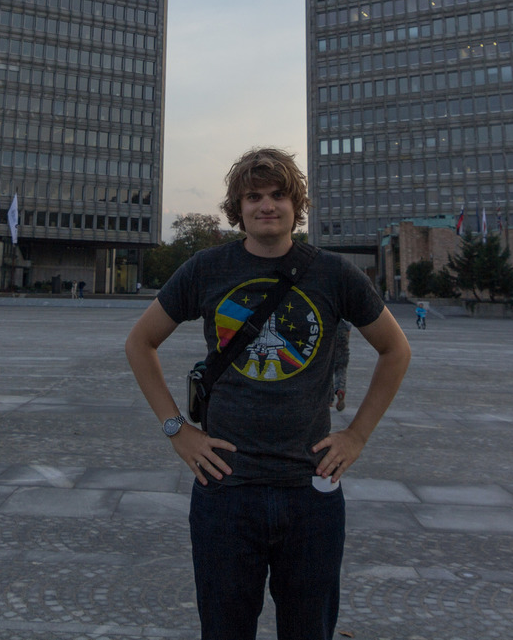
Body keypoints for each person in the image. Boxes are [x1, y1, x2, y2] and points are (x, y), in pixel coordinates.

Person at [125, 147, 411, 640]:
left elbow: (395, 350)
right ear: (237, 207)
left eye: (278, 195)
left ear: (296, 204)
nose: (266, 205)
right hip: (226, 492)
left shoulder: (334, 273)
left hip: (311, 492)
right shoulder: (205, 268)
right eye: (253, 196)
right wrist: (178, 431)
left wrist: (357, 435)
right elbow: (139, 343)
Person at [330, 320, 351, 411]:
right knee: (341, 366)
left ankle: (329, 398)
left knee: (327, 364)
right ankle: (340, 389)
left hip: (330, 326)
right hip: (344, 328)